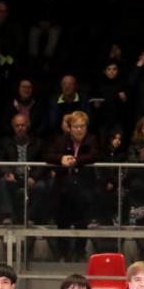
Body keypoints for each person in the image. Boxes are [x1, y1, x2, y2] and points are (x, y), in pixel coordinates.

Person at [44, 111, 100, 259]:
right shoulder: (61, 140)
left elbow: (94, 154)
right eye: (76, 126)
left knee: (82, 222)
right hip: (63, 190)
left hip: (84, 188)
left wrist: (76, 160)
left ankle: (79, 252)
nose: (79, 130)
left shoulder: (92, 139)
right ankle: (63, 254)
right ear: (69, 128)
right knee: (62, 222)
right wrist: (61, 159)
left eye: (82, 126)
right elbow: (48, 155)